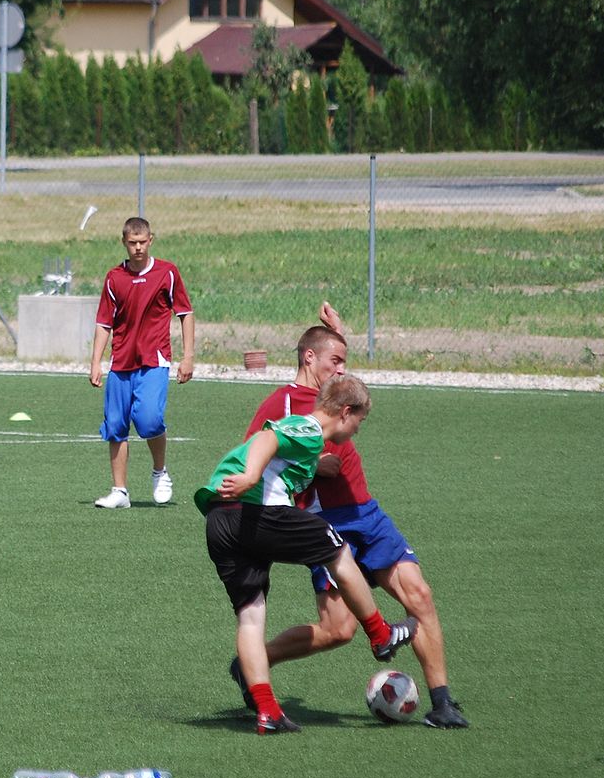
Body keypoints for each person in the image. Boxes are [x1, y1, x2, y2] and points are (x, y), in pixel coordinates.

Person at [236, 308, 470, 729]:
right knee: (339, 630)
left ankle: (443, 703)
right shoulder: (282, 401)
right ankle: (253, 662)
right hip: (323, 523)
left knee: (419, 594)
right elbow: (252, 452)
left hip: (365, 513)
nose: (342, 368)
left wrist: (338, 336)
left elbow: (347, 384)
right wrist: (312, 467)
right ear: (309, 358)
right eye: (335, 360)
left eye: (343, 361)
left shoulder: (337, 392)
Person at [198, 374, 417, 734]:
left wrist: (309, 467)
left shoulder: (310, 445)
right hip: (256, 510)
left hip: (221, 522)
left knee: (251, 616)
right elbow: (268, 438)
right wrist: (250, 476)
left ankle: (268, 712)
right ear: (345, 412)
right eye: (360, 421)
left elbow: (278, 456)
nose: (357, 430)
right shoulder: (310, 428)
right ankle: (380, 634)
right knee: (338, 550)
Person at [89, 216, 194, 509]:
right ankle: (120, 492)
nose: (138, 248)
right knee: (115, 425)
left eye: (142, 242)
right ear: (124, 242)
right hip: (121, 363)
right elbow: (103, 323)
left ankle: (160, 471)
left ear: (151, 241)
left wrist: (188, 357)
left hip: (153, 361)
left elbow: (185, 313)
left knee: (149, 420)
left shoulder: (167, 273)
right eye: (132, 243)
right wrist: (95, 362)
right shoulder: (114, 278)